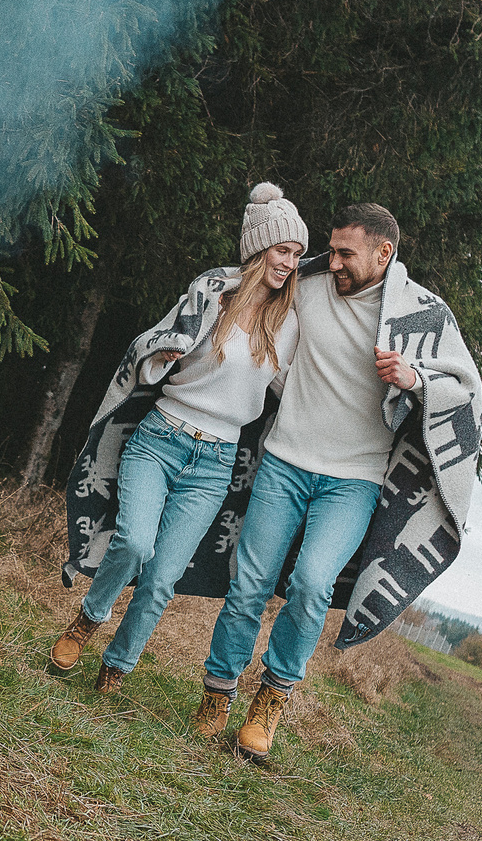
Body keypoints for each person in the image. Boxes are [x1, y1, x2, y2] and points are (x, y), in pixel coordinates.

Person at [194, 203, 482, 759]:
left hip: (353, 481)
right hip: (283, 462)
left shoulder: (421, 316)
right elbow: (250, 293)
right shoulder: (307, 286)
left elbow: (466, 391)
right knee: (248, 586)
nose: (333, 263)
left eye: (347, 253)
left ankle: (271, 701)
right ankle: (217, 692)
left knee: (310, 586)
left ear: (384, 253)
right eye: (330, 251)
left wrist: (416, 378)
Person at [51, 184, 308, 690]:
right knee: (133, 543)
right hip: (161, 438)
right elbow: (153, 346)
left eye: (298, 255)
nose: (290, 263)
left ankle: (118, 665)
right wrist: (159, 357)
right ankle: (89, 618)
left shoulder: (287, 325)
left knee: (163, 579)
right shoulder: (210, 292)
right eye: (283, 250)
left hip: (216, 461)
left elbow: (289, 391)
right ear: (259, 249)